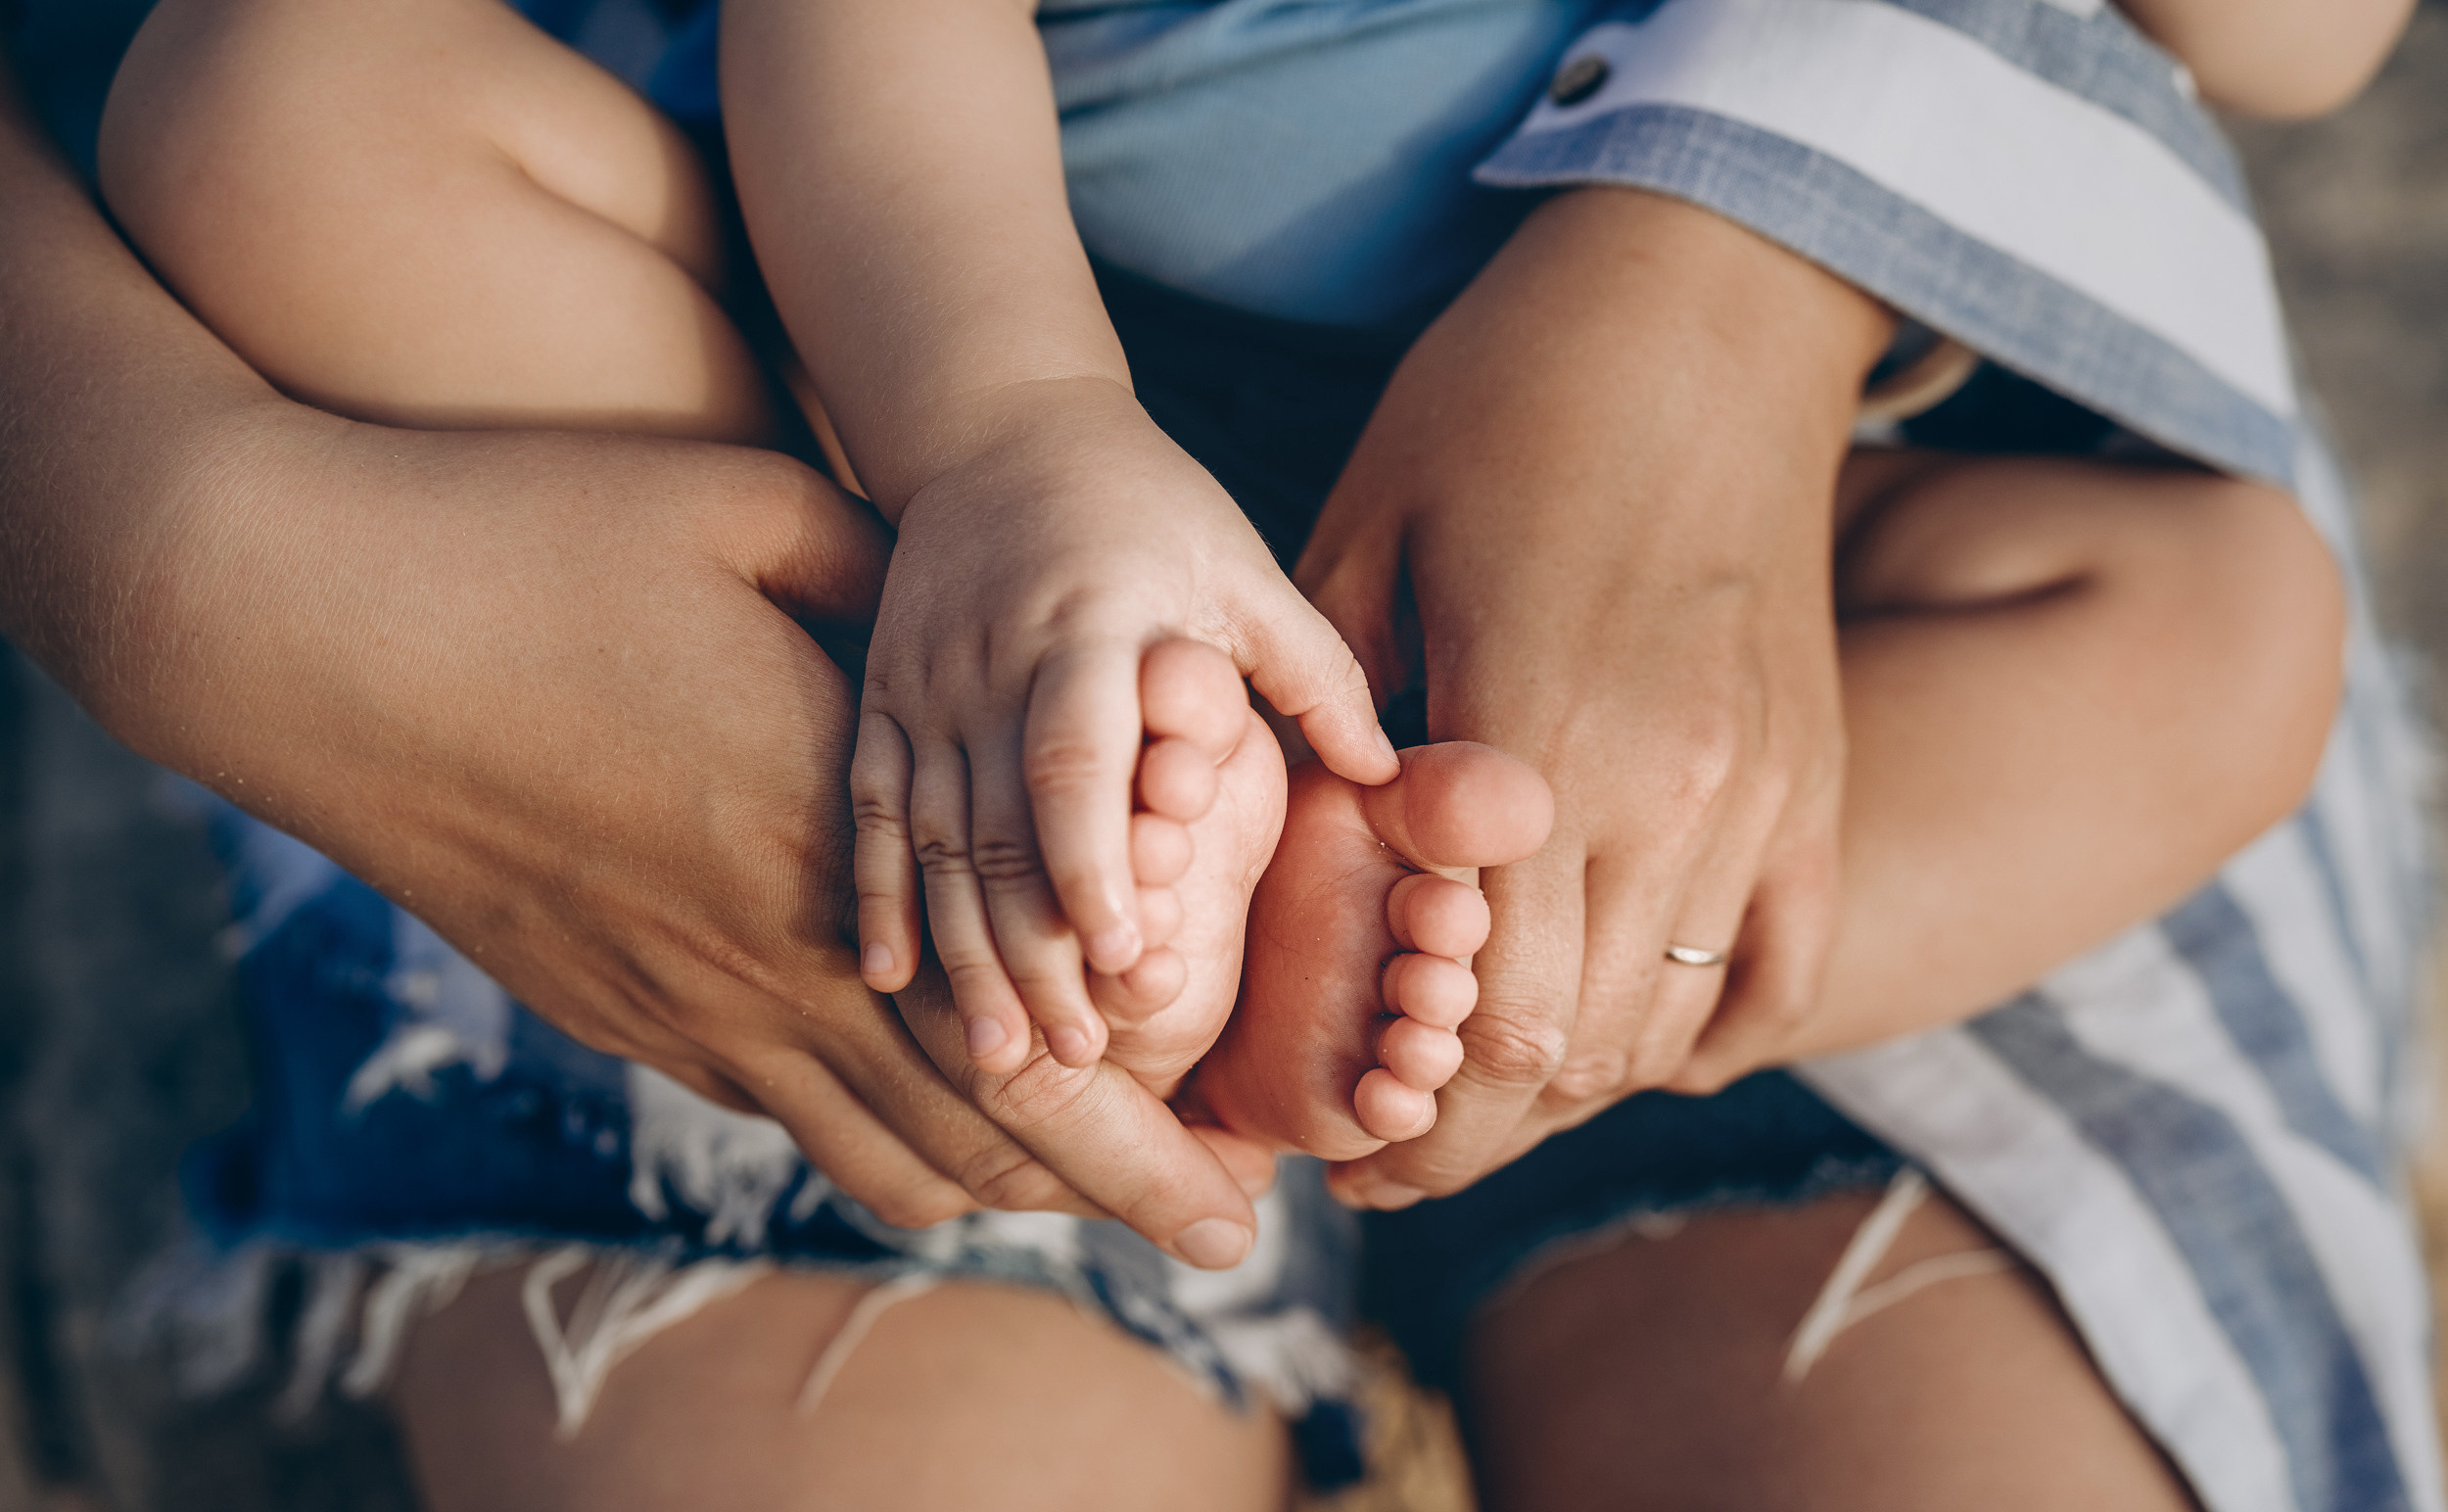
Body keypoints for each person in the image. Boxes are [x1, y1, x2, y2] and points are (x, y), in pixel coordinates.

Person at [0, 2, 2432, 1510]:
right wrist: (1013, 435)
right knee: (282, 121)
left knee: (2230, 631)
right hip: (882, 360)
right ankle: (1075, 834)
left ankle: (1555, 987)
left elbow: (2291, 38)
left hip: (1735, 472)